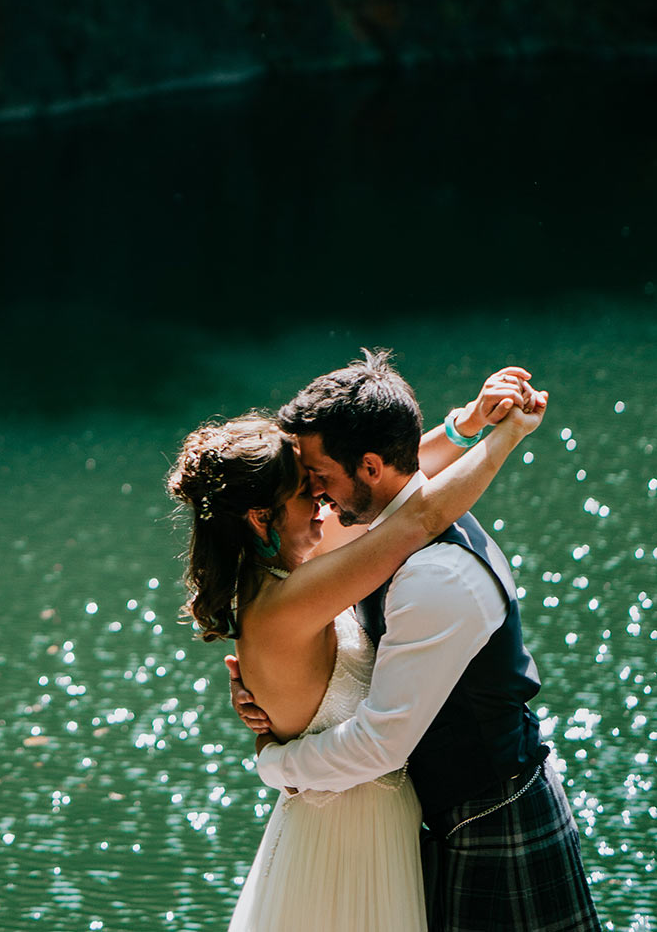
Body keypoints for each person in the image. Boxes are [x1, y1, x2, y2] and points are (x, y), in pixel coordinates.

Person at [168, 360, 546, 932]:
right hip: (351, 835)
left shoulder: (283, 569)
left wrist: (465, 427)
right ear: (260, 515)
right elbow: (413, 516)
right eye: (305, 490)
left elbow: (384, 489)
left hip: (364, 819)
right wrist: (507, 435)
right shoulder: (297, 594)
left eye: (318, 482)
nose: (321, 501)